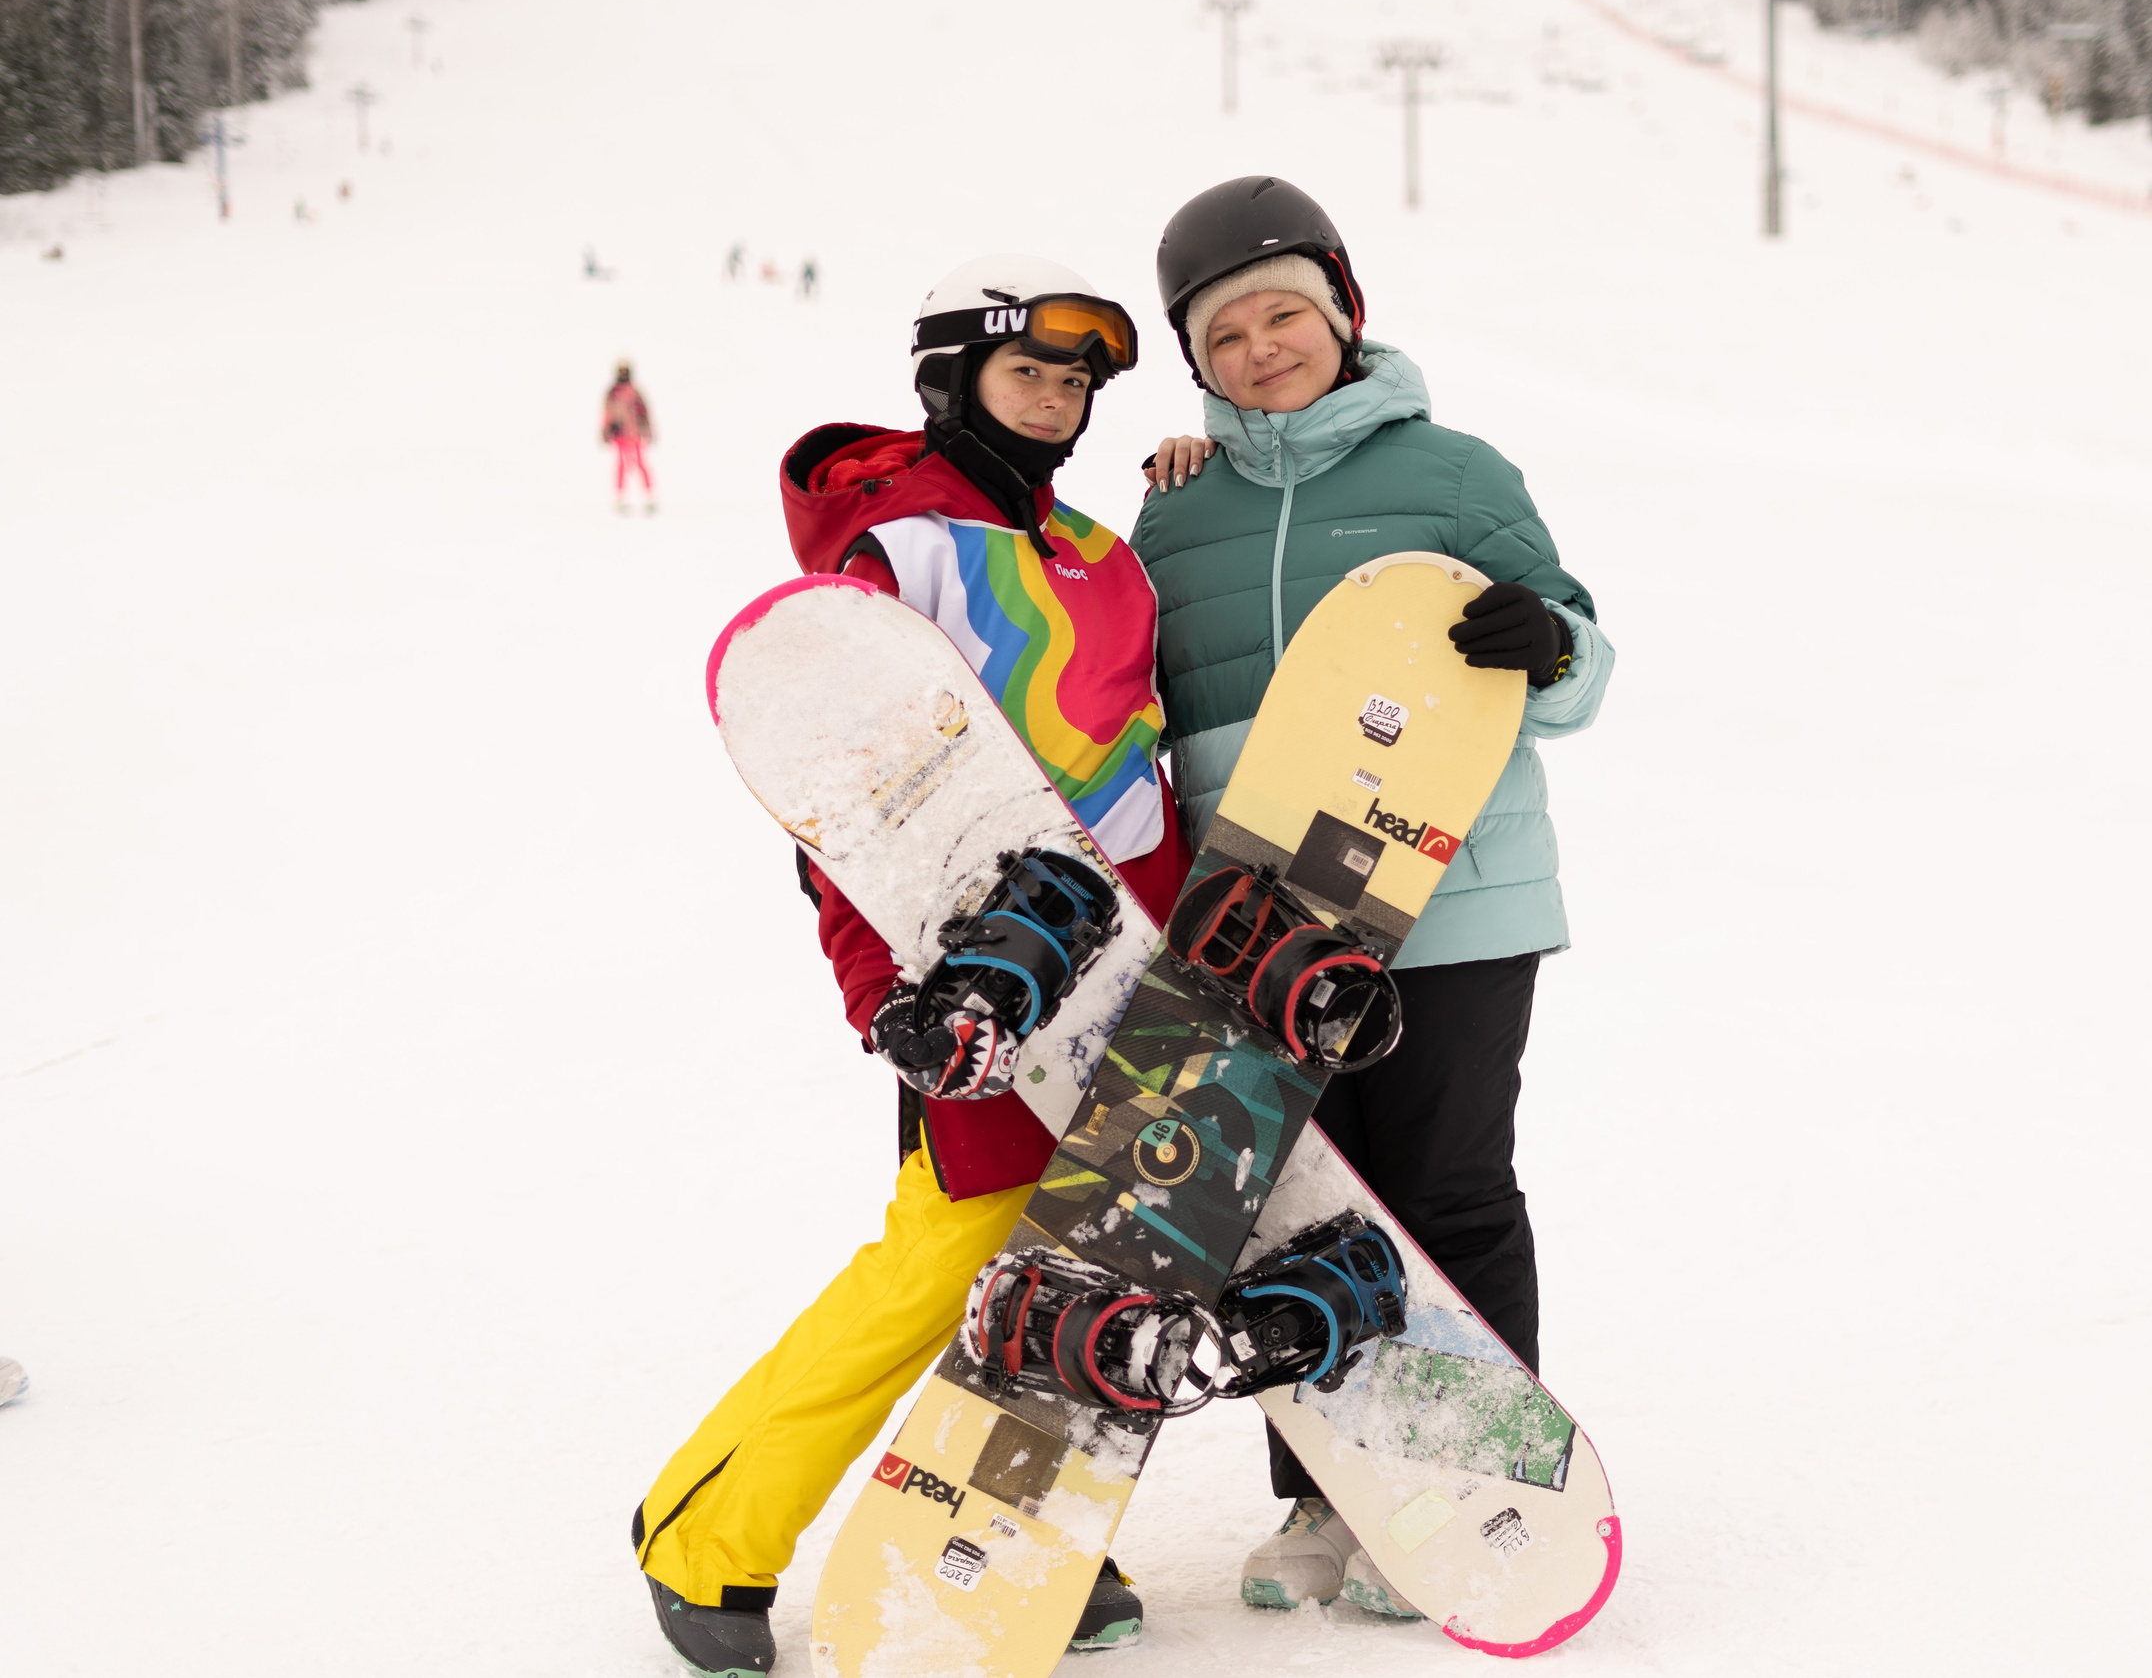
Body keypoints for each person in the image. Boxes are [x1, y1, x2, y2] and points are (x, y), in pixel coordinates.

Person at [633, 255, 1188, 1676]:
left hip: (1138, 970)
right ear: (951, 383)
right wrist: (886, 988)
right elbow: (850, 805)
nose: (1057, 401)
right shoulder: (899, 547)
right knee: (944, 1257)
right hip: (990, 977)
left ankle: (1034, 1530)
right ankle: (704, 1529)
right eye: (1030, 375)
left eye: (1077, 383)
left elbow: (1139, 768)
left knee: (1087, 1263)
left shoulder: (1099, 552)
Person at [1130, 176, 1615, 1618]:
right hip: (1260, 919)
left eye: (1287, 311)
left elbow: (1582, 669)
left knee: (1449, 1189)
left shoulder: (1458, 472)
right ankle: (1330, 1500)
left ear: (1344, 311)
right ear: (1196, 361)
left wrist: (1550, 644)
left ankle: (1476, 1485)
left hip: (1456, 896)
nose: (1262, 346)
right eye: (1226, 333)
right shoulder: (1171, 516)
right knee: (1297, 1210)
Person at [601, 362, 656, 515]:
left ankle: (649, 496)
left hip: (635, 433)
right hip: (620, 434)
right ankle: (620, 498)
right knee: (621, 466)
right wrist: (606, 429)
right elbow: (607, 412)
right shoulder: (613, 392)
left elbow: (644, 411)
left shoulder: (635, 392)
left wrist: (648, 429)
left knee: (640, 463)